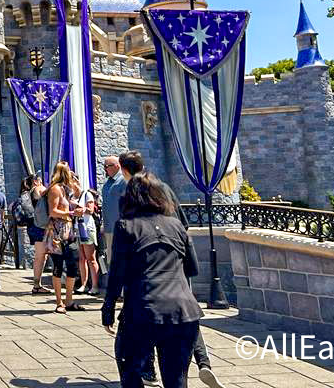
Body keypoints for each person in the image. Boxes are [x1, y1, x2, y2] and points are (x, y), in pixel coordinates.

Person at [118, 151, 222, 388]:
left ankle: (148, 370)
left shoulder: (131, 195)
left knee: (140, 338)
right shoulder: (164, 187)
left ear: (125, 170)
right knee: (184, 310)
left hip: (149, 282)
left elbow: (122, 262)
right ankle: (203, 362)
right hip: (177, 265)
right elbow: (184, 224)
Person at [102, 172, 203, 388]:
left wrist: (108, 307)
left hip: (143, 309)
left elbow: (117, 273)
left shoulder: (125, 226)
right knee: (176, 380)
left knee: (129, 368)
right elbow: (192, 268)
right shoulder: (176, 225)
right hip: (183, 310)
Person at [44, 161, 84, 313]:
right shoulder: (54, 189)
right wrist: (71, 213)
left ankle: (69, 300)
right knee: (58, 266)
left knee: (73, 265)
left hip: (69, 231)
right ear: (64, 173)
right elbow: (53, 212)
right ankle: (59, 302)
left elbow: (72, 201)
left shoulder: (65, 189)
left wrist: (80, 207)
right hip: (57, 232)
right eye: (69, 171)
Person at [72, 174, 99, 294]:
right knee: (81, 258)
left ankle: (95, 286)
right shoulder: (72, 196)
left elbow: (91, 210)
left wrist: (81, 209)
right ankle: (83, 284)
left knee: (91, 258)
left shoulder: (86, 194)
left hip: (87, 228)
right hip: (77, 228)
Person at [28, 174, 51, 295]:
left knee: (42, 256)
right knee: (40, 256)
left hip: (39, 226)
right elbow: (41, 193)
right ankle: (36, 285)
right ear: (36, 181)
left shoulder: (35, 190)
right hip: (40, 227)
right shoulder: (37, 189)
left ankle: (37, 284)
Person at [100, 156, 126, 261]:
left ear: (117, 166)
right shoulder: (107, 183)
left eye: (107, 166)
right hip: (108, 228)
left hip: (120, 229)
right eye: (104, 166)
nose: (105, 169)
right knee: (111, 260)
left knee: (121, 260)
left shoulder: (123, 181)